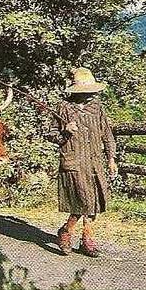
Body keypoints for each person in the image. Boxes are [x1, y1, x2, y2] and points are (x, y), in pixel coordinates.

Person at [46, 67, 118, 258]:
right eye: (85, 91)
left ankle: (82, 237)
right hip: (74, 161)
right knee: (84, 200)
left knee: (95, 200)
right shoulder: (63, 108)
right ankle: (70, 233)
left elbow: (107, 135)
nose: (90, 95)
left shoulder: (98, 108)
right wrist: (65, 131)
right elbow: (51, 135)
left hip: (95, 162)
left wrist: (111, 158)